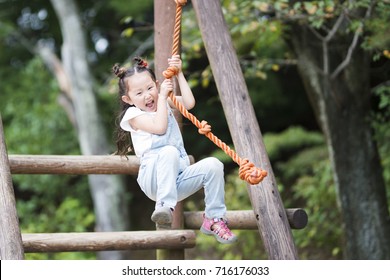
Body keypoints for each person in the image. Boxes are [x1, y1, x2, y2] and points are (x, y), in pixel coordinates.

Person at [112, 55, 237, 244]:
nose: (147, 95)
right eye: (139, 93)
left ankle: (214, 218)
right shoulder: (133, 115)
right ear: (127, 99)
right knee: (168, 151)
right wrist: (162, 97)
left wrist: (179, 75)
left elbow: (188, 103)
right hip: (154, 181)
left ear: (156, 84)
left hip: (177, 178)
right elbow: (160, 128)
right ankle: (163, 207)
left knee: (214, 165)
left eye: (149, 88)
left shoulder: (163, 100)